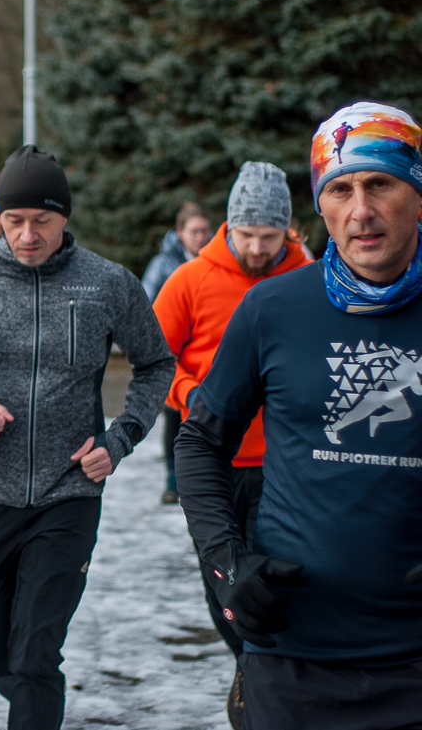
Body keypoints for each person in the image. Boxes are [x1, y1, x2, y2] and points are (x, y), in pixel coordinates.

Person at [176, 101, 422, 730]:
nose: (360, 210)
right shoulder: (273, 309)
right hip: (291, 659)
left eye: (381, 184)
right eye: (340, 189)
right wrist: (224, 559)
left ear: (417, 194)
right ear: (321, 208)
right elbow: (200, 442)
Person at [0, 144, 174, 730]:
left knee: (34, 655)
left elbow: (156, 363)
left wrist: (121, 437)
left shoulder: (108, 284)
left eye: (42, 221)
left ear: (65, 218)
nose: (27, 234)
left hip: (69, 493)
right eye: (14, 220)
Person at [153, 162, 309, 728]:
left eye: (271, 236)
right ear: (228, 226)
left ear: (287, 231)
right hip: (213, 461)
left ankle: (265, 679)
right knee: (222, 585)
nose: (259, 248)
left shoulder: (308, 276)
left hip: (285, 466)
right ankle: (247, 661)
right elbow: (153, 358)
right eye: (248, 235)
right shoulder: (191, 280)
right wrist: (190, 392)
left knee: (285, 581)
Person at [142, 202, 212, 505]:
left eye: (205, 231)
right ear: (180, 233)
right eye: (194, 231)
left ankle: (205, 475)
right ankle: (173, 480)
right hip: (173, 351)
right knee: (173, 417)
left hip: (205, 352)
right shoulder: (163, 264)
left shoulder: (216, 263)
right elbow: (146, 303)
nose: (200, 237)